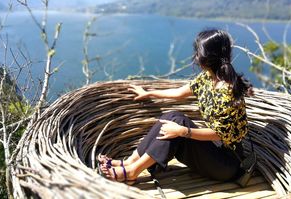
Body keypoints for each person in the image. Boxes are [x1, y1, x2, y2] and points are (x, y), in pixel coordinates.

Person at [99, 29, 253, 184]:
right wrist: (149, 93)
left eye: (197, 52)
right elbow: (179, 92)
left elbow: (219, 134)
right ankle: (131, 161)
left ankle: (132, 172)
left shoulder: (226, 91)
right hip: (215, 150)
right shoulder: (208, 77)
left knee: (179, 125)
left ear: (205, 58)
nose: (195, 56)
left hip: (227, 164)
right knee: (173, 116)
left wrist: (183, 132)